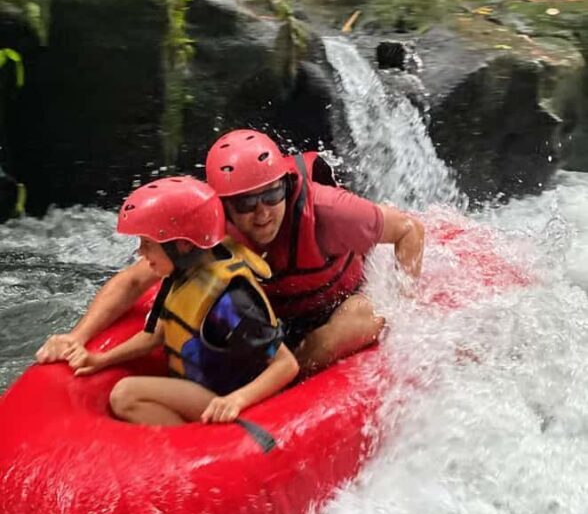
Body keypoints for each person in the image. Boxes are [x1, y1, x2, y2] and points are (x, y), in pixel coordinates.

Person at [37, 131, 424, 374]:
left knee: (339, 333)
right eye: (245, 202)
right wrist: (77, 337)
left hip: (343, 301)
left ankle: (287, 392)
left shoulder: (331, 211)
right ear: (224, 205)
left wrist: (406, 309)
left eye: (272, 195)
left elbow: (409, 230)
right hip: (265, 314)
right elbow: (137, 278)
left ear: (286, 185)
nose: (261, 212)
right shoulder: (209, 221)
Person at [63, 176, 299, 425]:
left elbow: (286, 365)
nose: (140, 253)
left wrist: (237, 400)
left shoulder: (232, 302)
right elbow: (156, 335)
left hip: (229, 401)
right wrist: (102, 359)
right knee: (127, 394)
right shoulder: (180, 275)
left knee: (126, 395)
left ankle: (195, 448)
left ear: (183, 246)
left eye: (147, 244)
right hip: (202, 390)